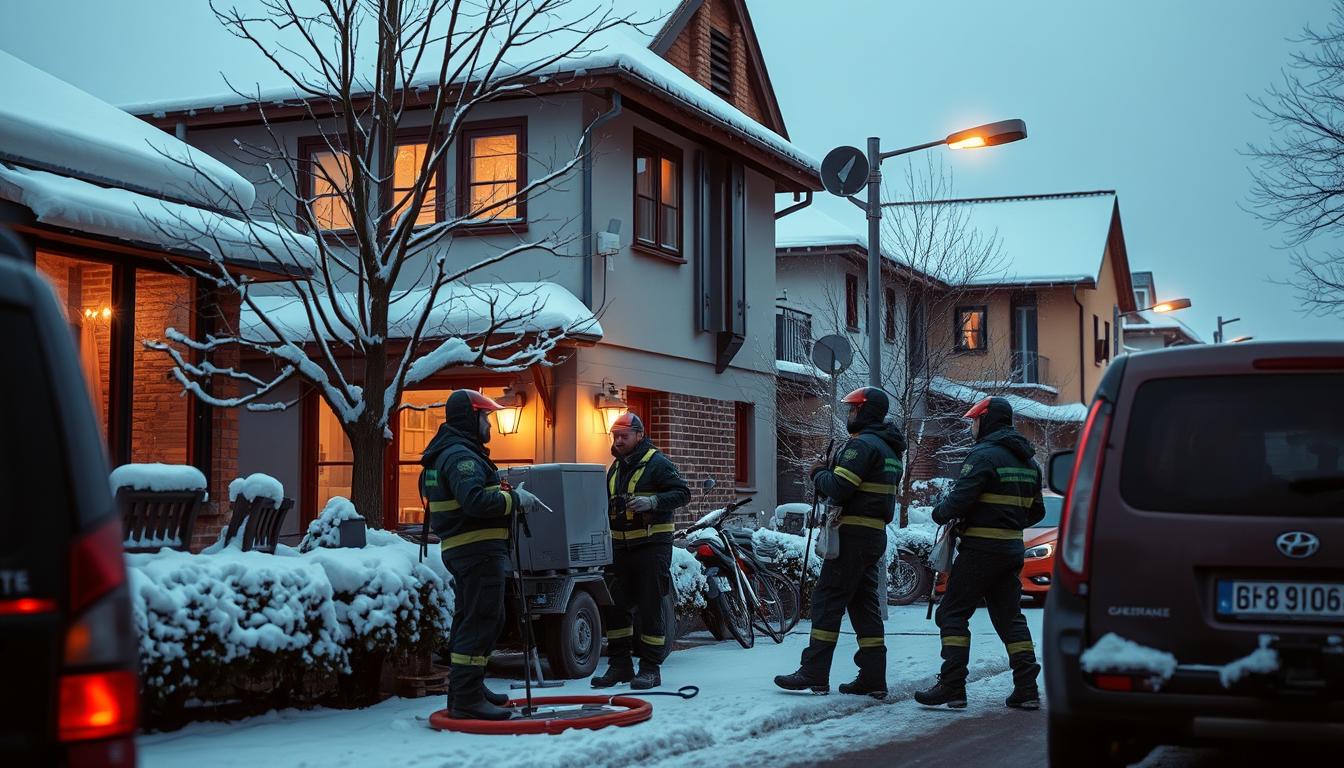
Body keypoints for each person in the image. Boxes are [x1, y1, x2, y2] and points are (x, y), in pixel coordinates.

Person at [915, 396, 1044, 711]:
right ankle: (1026, 688)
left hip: (980, 551)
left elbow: (959, 501)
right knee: (1011, 618)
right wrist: (1008, 524)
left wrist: (940, 513)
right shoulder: (1029, 461)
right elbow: (1037, 512)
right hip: (1012, 549)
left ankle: (953, 686)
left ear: (986, 421)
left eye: (974, 421)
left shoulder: (983, 455)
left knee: (952, 614)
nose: (971, 426)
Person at [775, 387, 906, 697]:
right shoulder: (890, 450)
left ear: (863, 411)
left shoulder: (860, 446)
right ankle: (873, 677)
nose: (849, 415)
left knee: (827, 602)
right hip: (873, 536)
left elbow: (839, 487)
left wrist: (818, 472)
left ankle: (814, 674)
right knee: (864, 606)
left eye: (852, 409)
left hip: (850, 535)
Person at [420, 389, 539, 720]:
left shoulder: (445, 453)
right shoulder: (462, 457)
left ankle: (467, 687)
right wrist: (515, 501)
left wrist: (505, 495)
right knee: (482, 620)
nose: (489, 424)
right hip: (477, 552)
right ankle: (467, 698)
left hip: (465, 551)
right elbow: (473, 501)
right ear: (471, 419)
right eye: (485, 417)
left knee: (474, 618)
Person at [591, 411, 690, 690]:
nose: (618, 441)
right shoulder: (617, 466)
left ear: (639, 435)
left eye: (624, 436)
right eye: (615, 436)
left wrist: (653, 502)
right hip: (619, 548)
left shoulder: (657, 463)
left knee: (650, 608)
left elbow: (683, 493)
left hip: (651, 547)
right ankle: (619, 666)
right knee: (616, 608)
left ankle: (650, 668)